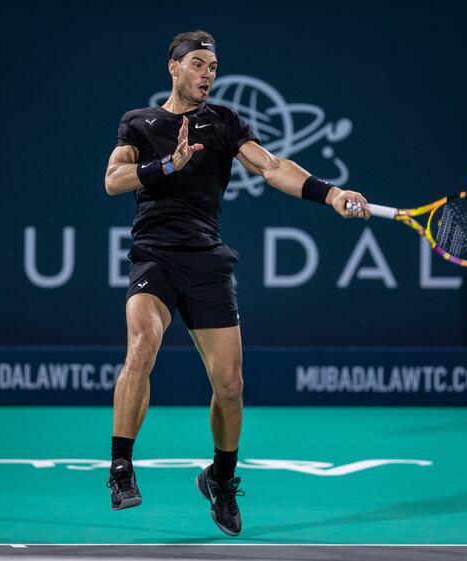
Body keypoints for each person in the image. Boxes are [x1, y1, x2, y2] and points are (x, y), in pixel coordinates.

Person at [103, 30, 370, 537]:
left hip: (207, 260)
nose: (207, 74)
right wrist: (167, 165)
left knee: (230, 385)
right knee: (141, 348)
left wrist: (329, 192)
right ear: (173, 67)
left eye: (213, 67)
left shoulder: (224, 122)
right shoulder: (139, 123)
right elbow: (113, 181)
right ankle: (120, 468)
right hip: (155, 256)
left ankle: (221, 478)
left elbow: (270, 167)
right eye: (198, 64)